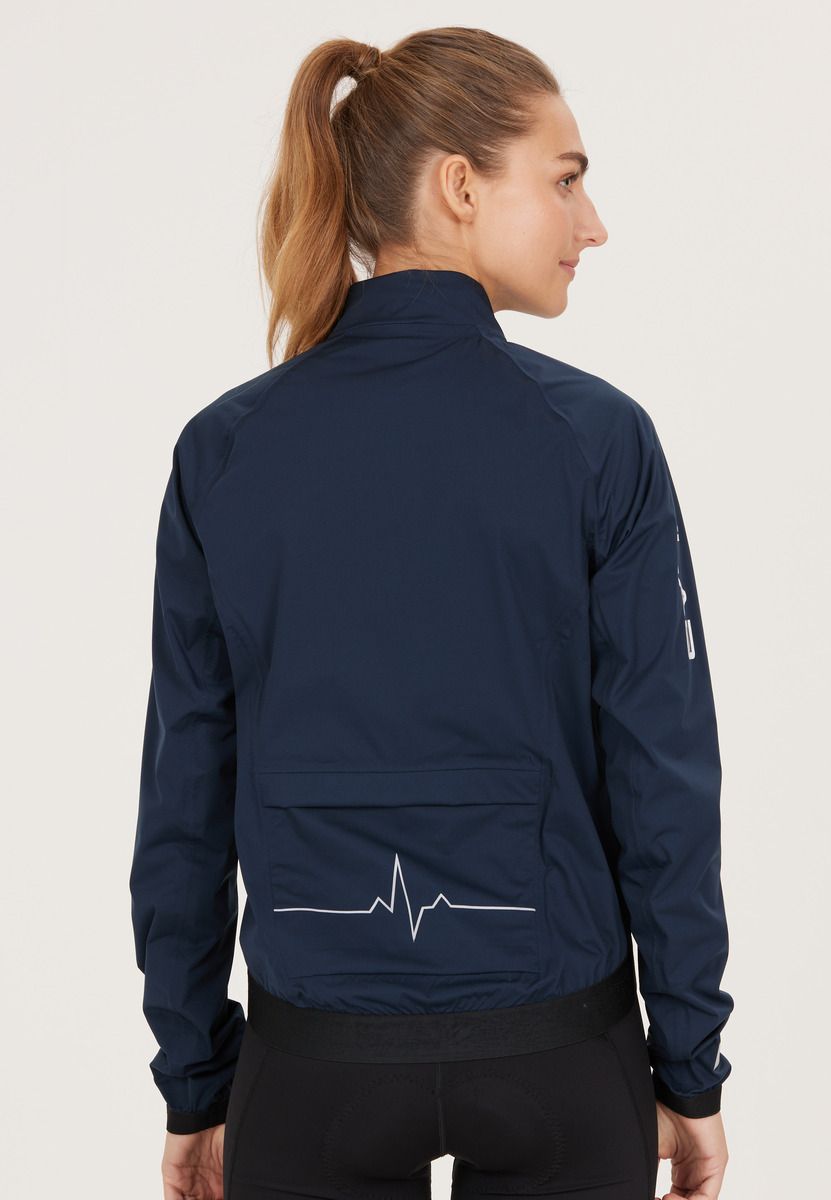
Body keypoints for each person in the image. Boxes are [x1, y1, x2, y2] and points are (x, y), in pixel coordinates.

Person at [129, 25, 735, 1200]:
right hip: (564, 1056)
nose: (593, 223)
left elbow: (185, 800)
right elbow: (663, 780)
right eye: (566, 180)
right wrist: (691, 1067)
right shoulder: (597, 442)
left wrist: (196, 1081)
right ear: (461, 186)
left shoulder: (227, 452)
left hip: (310, 1071)